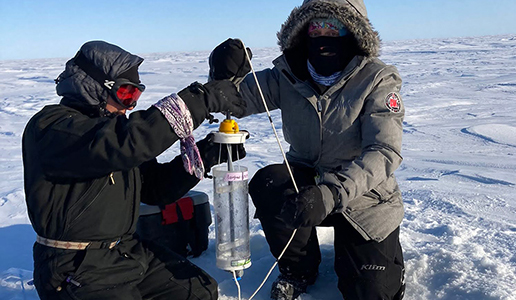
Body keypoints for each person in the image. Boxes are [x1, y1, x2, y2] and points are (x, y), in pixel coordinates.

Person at [208, 0, 406, 299]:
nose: (324, 35)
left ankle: (384, 262)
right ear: (303, 32)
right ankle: (298, 269)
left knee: (370, 292)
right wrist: (222, 78)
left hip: (365, 195)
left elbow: (384, 151)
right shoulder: (287, 74)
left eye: (334, 27)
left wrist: (331, 193)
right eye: (316, 27)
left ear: (353, 32)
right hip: (306, 181)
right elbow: (234, 102)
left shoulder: (376, 79)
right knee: (271, 183)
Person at [22, 40, 247, 300]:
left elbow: (154, 188)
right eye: (125, 93)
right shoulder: (53, 127)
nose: (130, 106)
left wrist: (205, 156)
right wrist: (199, 100)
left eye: (136, 96)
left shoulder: (110, 129)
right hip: (76, 265)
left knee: (199, 292)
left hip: (126, 252)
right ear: (94, 86)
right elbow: (124, 144)